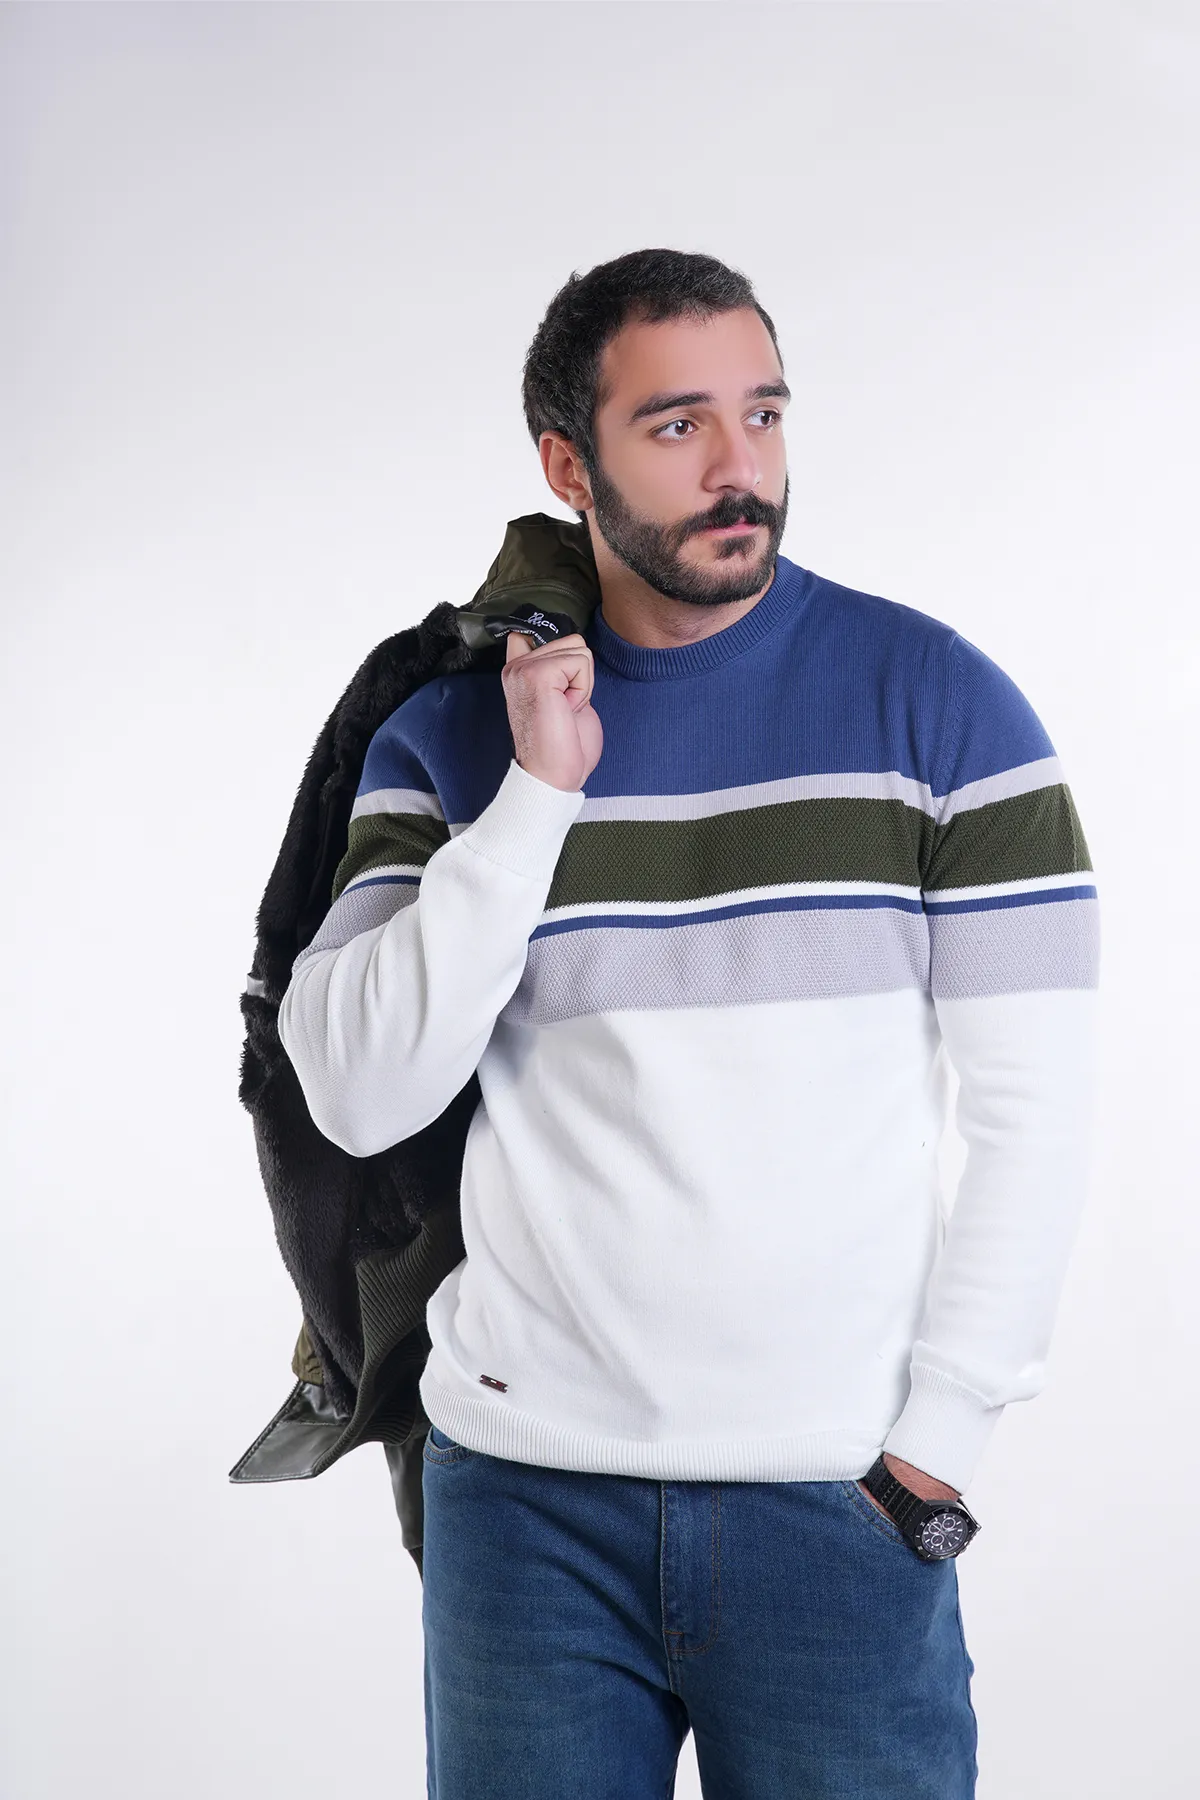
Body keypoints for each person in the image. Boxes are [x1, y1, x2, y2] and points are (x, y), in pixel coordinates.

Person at [277, 248, 1098, 1799]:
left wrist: (936, 1448)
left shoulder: (945, 710)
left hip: (840, 1502)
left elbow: (1035, 1119)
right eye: (679, 426)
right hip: (524, 1509)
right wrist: (534, 800)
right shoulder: (447, 731)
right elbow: (361, 1092)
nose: (741, 469)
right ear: (565, 465)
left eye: (764, 414)